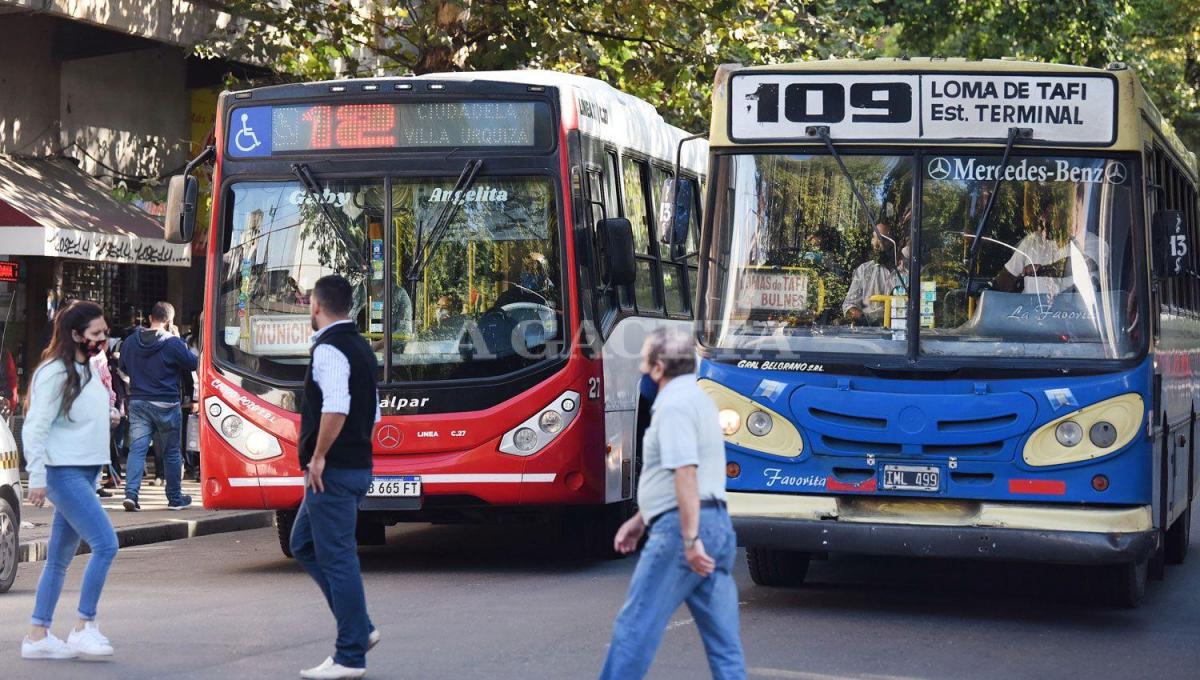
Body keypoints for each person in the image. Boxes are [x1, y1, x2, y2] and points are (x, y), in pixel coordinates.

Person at [599, 327, 744, 680]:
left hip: (683, 531)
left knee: (636, 626)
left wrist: (691, 540)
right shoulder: (699, 401)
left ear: (660, 366)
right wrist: (640, 521)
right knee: (724, 645)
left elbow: (685, 473)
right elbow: (674, 478)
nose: (641, 371)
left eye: (645, 363)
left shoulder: (674, 406)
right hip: (717, 525)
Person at [291, 275, 382, 679]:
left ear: (316, 305)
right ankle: (359, 628)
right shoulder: (361, 347)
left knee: (338, 558)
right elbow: (374, 414)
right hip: (355, 465)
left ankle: (350, 655)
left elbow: (337, 407)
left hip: (332, 471)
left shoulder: (328, 349)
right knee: (303, 543)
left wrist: (320, 457)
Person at [20, 300, 119, 660]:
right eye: (96, 334)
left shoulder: (87, 369)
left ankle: (37, 635)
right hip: (63, 473)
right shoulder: (54, 372)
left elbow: (71, 419)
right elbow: (36, 427)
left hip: (84, 471)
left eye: (105, 332)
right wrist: (37, 477)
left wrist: (106, 414)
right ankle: (83, 626)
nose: (103, 339)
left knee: (59, 560)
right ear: (76, 334)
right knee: (106, 544)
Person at [119, 301, 198, 511]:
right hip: (166, 404)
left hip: (138, 401)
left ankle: (131, 495)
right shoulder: (173, 343)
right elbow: (193, 364)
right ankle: (174, 498)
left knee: (137, 449)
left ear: (149, 318)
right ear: (169, 320)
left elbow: (123, 367)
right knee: (171, 452)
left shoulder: (130, 342)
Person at [841, 219, 909, 325]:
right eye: (873, 238)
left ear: (896, 241)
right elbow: (849, 305)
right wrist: (863, 318)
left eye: (881, 239)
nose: (875, 244)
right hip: (870, 335)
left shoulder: (909, 273)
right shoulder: (864, 271)